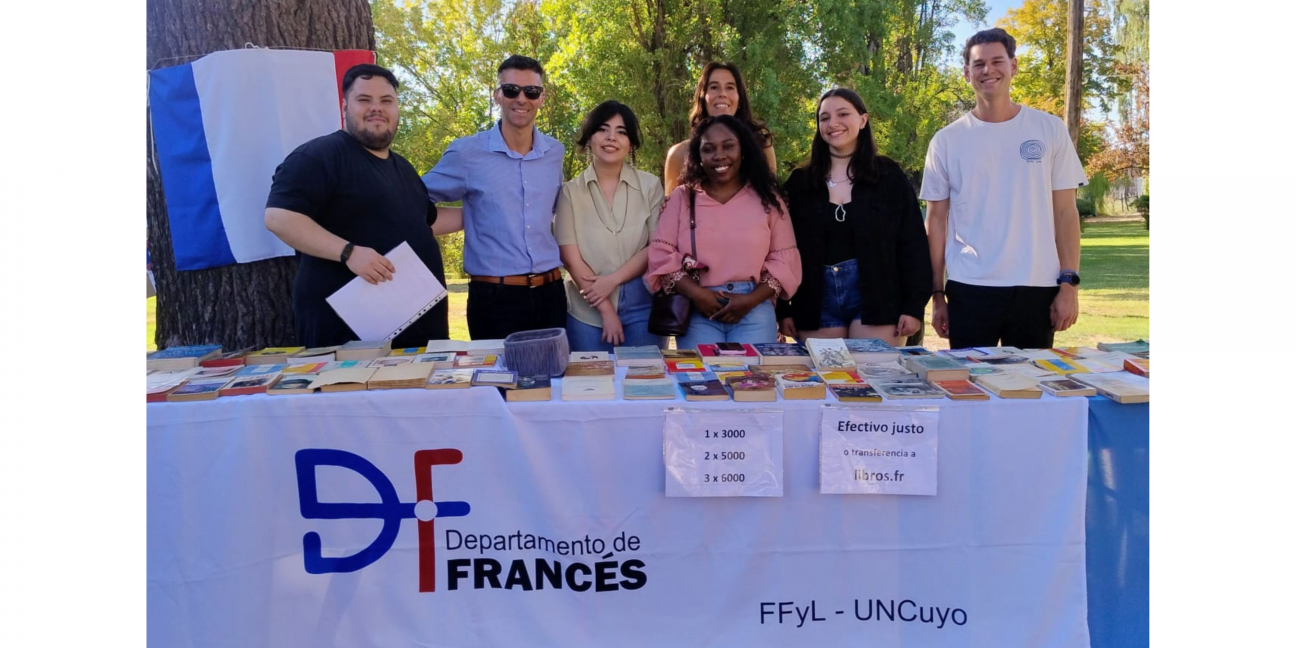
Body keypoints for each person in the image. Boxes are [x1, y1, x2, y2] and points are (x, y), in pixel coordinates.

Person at [264, 63, 454, 348]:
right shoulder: (319, 156)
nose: (376, 108)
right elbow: (280, 217)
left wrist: (488, 213)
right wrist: (348, 252)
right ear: (345, 107)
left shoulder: (403, 167)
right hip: (347, 341)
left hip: (417, 333)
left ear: (397, 108)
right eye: (364, 100)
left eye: (386, 101)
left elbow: (426, 222)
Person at [921, 28, 1086, 350]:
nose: (988, 71)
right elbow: (936, 221)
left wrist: (1069, 285)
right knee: (970, 392)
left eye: (997, 61)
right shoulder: (947, 140)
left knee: (1032, 391)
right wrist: (937, 295)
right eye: (979, 64)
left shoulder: (1049, 129)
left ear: (1014, 66)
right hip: (970, 287)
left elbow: (1066, 213)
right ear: (967, 72)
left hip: (1037, 286)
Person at [421, 54, 566, 340]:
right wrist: (470, 217)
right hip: (494, 299)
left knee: (553, 383)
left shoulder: (555, 152)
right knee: (498, 385)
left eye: (531, 91)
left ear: (541, 98)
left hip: (552, 292)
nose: (521, 99)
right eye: (511, 90)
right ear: (497, 95)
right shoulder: (466, 153)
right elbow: (412, 199)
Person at [777, 88, 932, 347]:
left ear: (863, 120)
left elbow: (913, 244)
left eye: (843, 114)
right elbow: (781, 249)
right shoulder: (800, 182)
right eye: (824, 117)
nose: (832, 123)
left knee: (875, 379)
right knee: (828, 381)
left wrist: (914, 306)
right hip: (816, 302)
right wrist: (784, 309)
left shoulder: (889, 176)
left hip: (879, 297)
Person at [646, 114, 801, 350]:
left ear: (743, 149)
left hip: (754, 308)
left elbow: (784, 259)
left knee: (754, 384)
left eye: (728, 146)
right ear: (698, 156)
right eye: (709, 149)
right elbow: (661, 254)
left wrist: (749, 301)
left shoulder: (768, 198)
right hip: (698, 310)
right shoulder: (682, 197)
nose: (719, 155)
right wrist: (698, 295)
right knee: (702, 385)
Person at [555, 101, 667, 352]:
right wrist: (606, 309)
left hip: (643, 304)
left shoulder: (650, 186)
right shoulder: (569, 192)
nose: (611, 138)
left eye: (621, 131)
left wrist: (613, 280)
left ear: (631, 143)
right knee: (589, 386)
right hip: (587, 308)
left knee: (645, 384)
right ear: (589, 138)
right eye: (603, 129)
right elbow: (570, 258)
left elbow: (656, 246)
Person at [663, 62, 776, 194]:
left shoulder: (761, 146)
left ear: (739, 98)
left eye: (730, 87)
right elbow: (670, 209)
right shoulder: (679, 154)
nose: (722, 94)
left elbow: (772, 200)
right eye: (714, 87)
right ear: (703, 97)